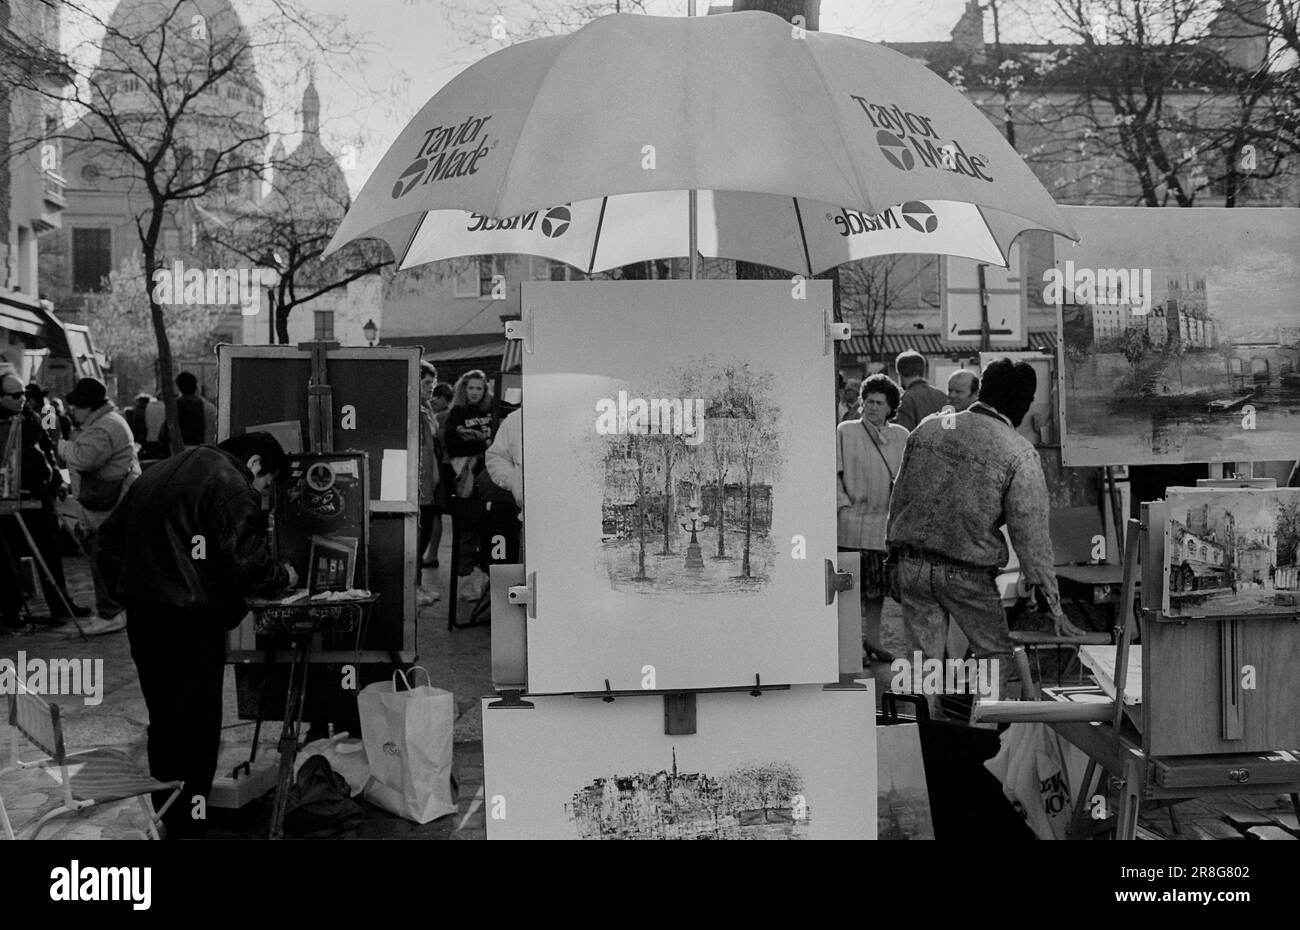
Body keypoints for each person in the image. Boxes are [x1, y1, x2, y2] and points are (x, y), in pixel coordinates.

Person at [97, 432, 297, 840]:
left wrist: (130, 590)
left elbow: (106, 542)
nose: (261, 491)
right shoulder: (231, 484)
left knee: (166, 721)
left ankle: (171, 817)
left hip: (146, 619)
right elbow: (246, 564)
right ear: (256, 464)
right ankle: (193, 824)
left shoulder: (159, 472)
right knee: (199, 727)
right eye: (266, 483)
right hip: (191, 624)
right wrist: (284, 576)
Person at [886, 358, 1084, 704]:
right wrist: (1053, 604)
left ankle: (920, 739)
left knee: (922, 663)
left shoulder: (929, 428)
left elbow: (899, 496)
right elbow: (1031, 534)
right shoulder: (1018, 452)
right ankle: (982, 735)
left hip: (912, 565)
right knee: (993, 656)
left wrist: (892, 557)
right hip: (967, 573)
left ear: (984, 390)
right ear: (1021, 406)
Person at [0, 373, 89, 626]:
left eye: (25, 395)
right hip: (12, 499)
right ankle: (11, 609)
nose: (23, 400)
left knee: (50, 552)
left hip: (41, 494)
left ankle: (59, 603)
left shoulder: (35, 416)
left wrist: (57, 479)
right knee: (12, 557)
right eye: (16, 396)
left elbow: (47, 446)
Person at [58, 377, 140, 633]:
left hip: (112, 505)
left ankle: (110, 613)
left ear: (88, 406)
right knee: (110, 557)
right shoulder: (108, 422)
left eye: (76, 406)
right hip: (117, 502)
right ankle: (116, 609)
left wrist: (59, 444)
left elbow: (83, 459)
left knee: (102, 557)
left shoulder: (102, 428)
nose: (72, 410)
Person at [837, 374, 908, 664]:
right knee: (851, 591)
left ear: (891, 407)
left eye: (879, 403)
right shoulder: (846, 431)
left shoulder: (902, 436)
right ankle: (851, 646)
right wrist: (841, 507)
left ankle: (874, 641)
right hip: (851, 525)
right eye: (868, 401)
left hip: (883, 526)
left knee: (876, 590)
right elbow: (833, 474)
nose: (872, 407)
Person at [444, 370, 493, 594]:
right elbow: (453, 446)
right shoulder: (457, 412)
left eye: (479, 388)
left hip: (492, 478)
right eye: (470, 388)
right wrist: (483, 444)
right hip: (468, 479)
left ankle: (483, 577)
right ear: (464, 389)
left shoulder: (490, 411)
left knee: (487, 528)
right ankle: (465, 578)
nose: (474, 392)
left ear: (485, 391)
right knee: (467, 528)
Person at [416, 362, 442, 606]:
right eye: (426, 384)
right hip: (419, 485)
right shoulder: (415, 412)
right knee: (418, 536)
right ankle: (413, 586)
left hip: (428, 485)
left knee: (423, 536)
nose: (431, 389)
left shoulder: (426, 410)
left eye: (433, 385)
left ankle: (418, 583)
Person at [893, 350, 949, 431]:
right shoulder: (943, 396)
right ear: (923, 371)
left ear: (900, 374)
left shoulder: (906, 400)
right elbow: (951, 430)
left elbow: (904, 434)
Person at [175, 371, 218, 448]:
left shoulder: (173, 407)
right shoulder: (208, 407)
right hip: (200, 451)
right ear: (196, 386)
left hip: (179, 453)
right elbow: (210, 434)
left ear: (179, 388)